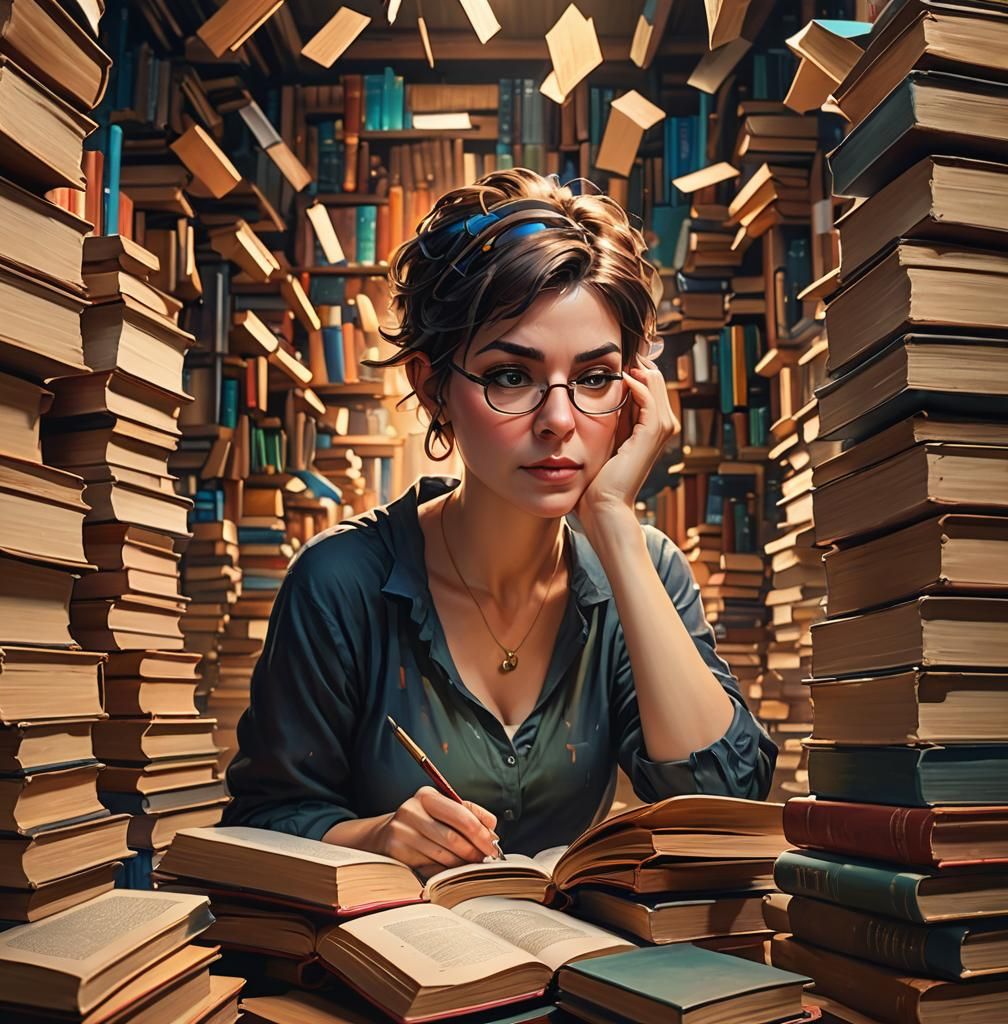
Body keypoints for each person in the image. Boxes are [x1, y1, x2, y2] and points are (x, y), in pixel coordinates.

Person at [220, 168, 777, 876]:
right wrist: (377, 838)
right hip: (378, 971)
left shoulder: (647, 568)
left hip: (570, 971)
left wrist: (611, 519)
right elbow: (259, 823)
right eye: (512, 376)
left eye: (595, 379)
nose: (559, 421)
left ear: (637, 396)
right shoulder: (340, 584)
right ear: (433, 387)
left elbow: (721, 804)